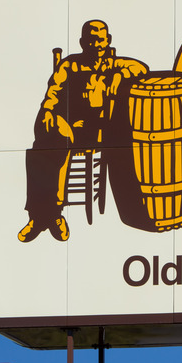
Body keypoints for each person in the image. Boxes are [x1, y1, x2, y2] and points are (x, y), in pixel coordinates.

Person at [18, 20, 149, 242]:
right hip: (69, 127)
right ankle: (44, 216)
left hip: (99, 132)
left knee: (54, 144)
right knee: (42, 146)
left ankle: (48, 216)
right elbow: (52, 94)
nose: (96, 44)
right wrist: (48, 112)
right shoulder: (70, 65)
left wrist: (119, 76)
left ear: (107, 41)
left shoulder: (115, 65)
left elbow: (141, 68)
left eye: (100, 39)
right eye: (91, 39)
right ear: (82, 42)